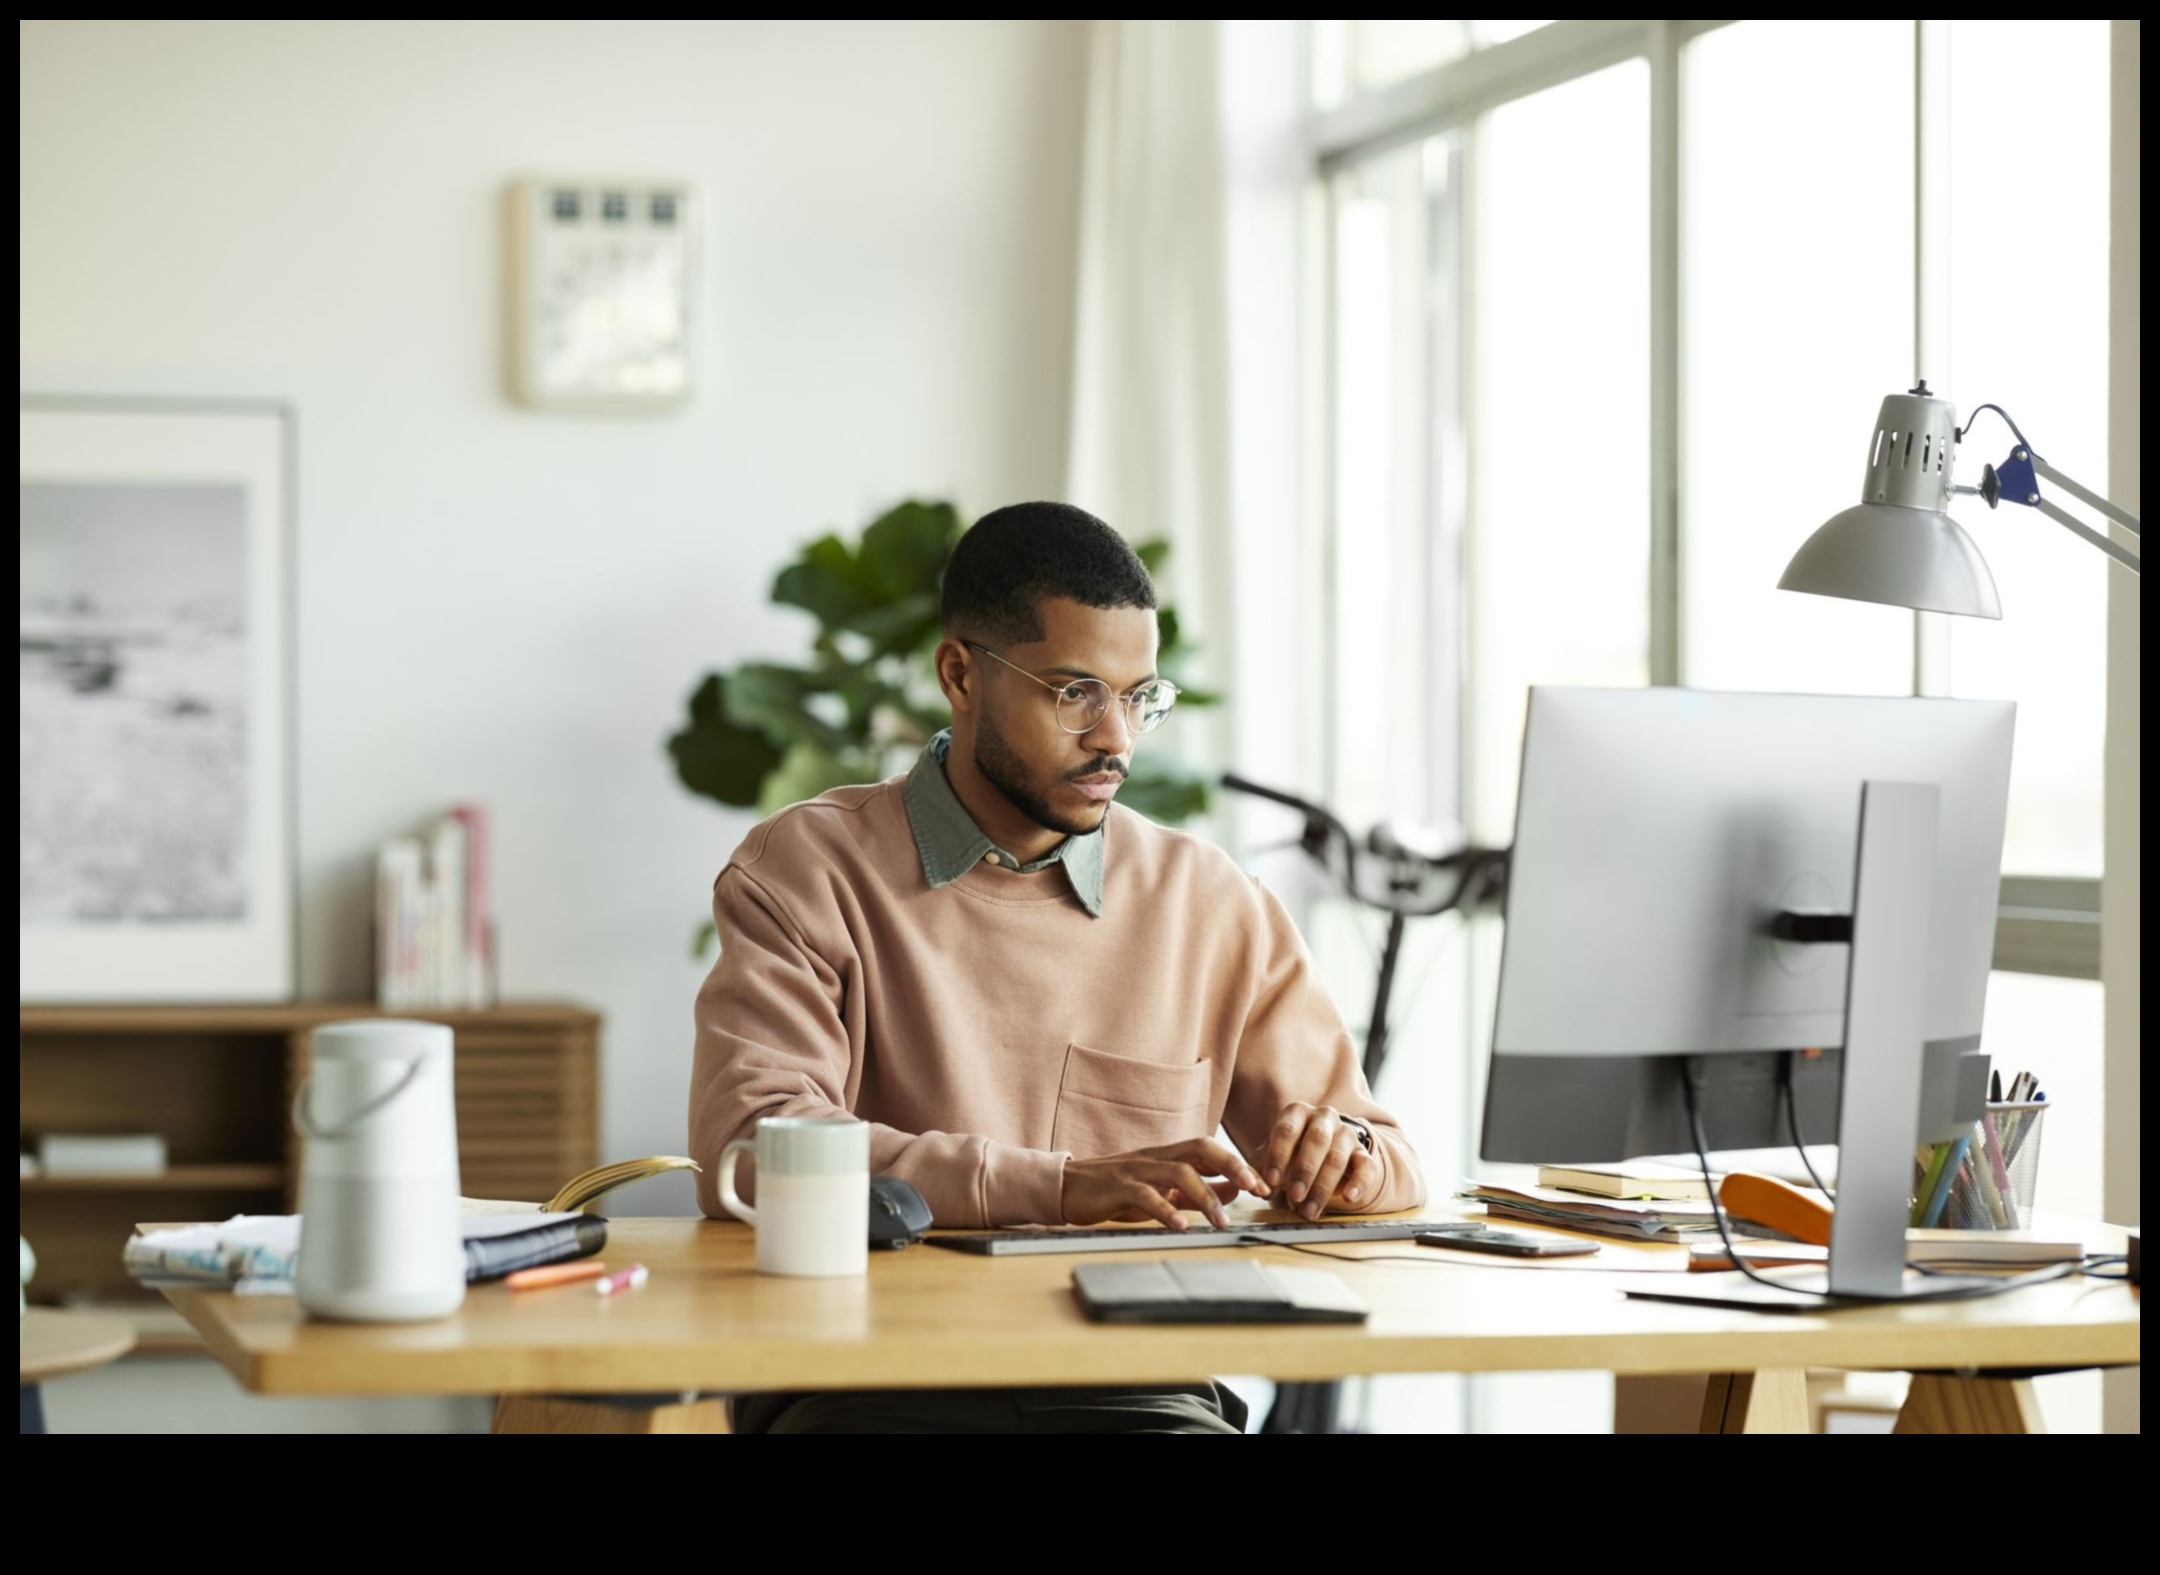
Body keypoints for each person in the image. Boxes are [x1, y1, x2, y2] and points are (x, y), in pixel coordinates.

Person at [690, 501, 1425, 1433]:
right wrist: (1061, 1186)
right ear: (961, 674)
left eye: (1138, 696)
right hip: (868, 1387)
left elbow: (1390, 1156)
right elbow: (753, 1150)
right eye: (1075, 692)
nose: (1115, 737)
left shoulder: (1208, 902)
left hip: (1139, 1397)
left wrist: (1345, 1162)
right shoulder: (808, 869)